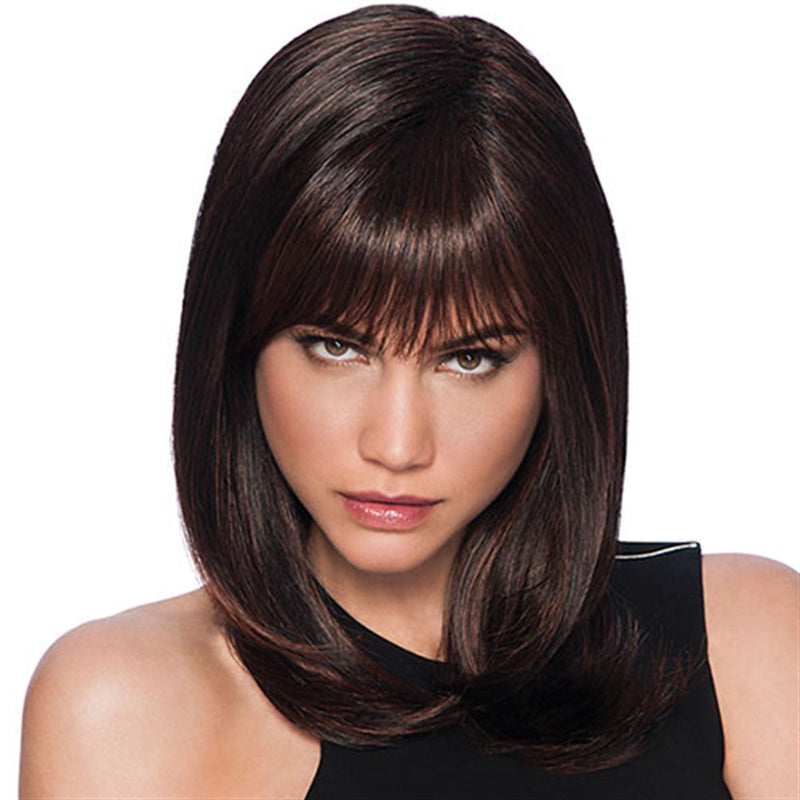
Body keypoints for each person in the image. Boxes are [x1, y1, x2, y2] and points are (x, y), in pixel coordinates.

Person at [19, 5, 798, 799]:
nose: (397, 446)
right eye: (337, 347)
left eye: (469, 359)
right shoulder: (126, 708)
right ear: (236, 340)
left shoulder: (744, 641)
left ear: (561, 366)